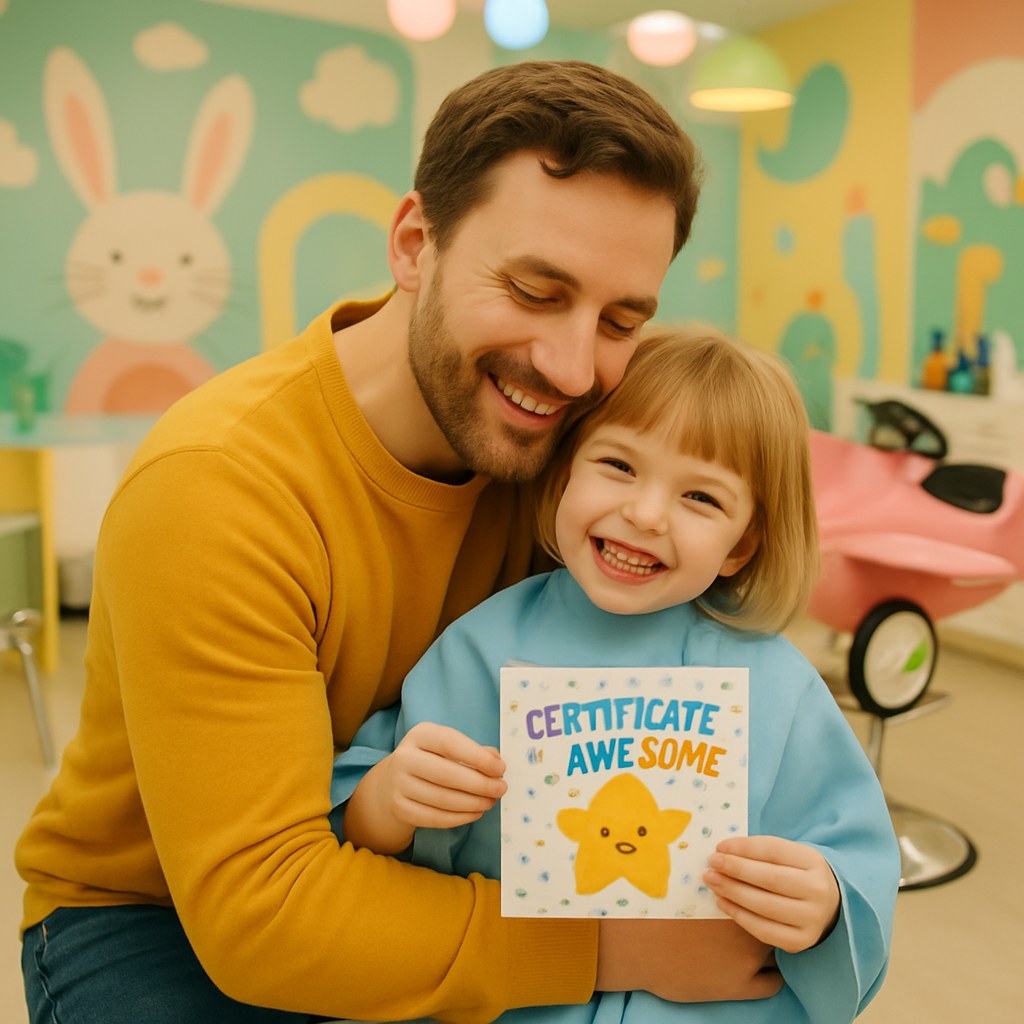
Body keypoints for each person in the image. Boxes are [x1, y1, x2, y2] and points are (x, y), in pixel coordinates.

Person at [17, 62, 784, 1024]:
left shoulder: (580, 461)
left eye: (621, 319)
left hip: (448, 869)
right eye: (536, 290)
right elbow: (264, 913)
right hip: (155, 914)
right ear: (415, 243)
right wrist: (615, 948)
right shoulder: (217, 486)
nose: (574, 366)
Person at [333, 327, 902, 1024]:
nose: (645, 513)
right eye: (620, 466)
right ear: (568, 467)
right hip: (517, 1000)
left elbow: (857, 856)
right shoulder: (481, 648)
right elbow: (352, 830)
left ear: (741, 545)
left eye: (701, 499)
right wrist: (388, 798)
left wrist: (827, 900)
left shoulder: (780, 688)